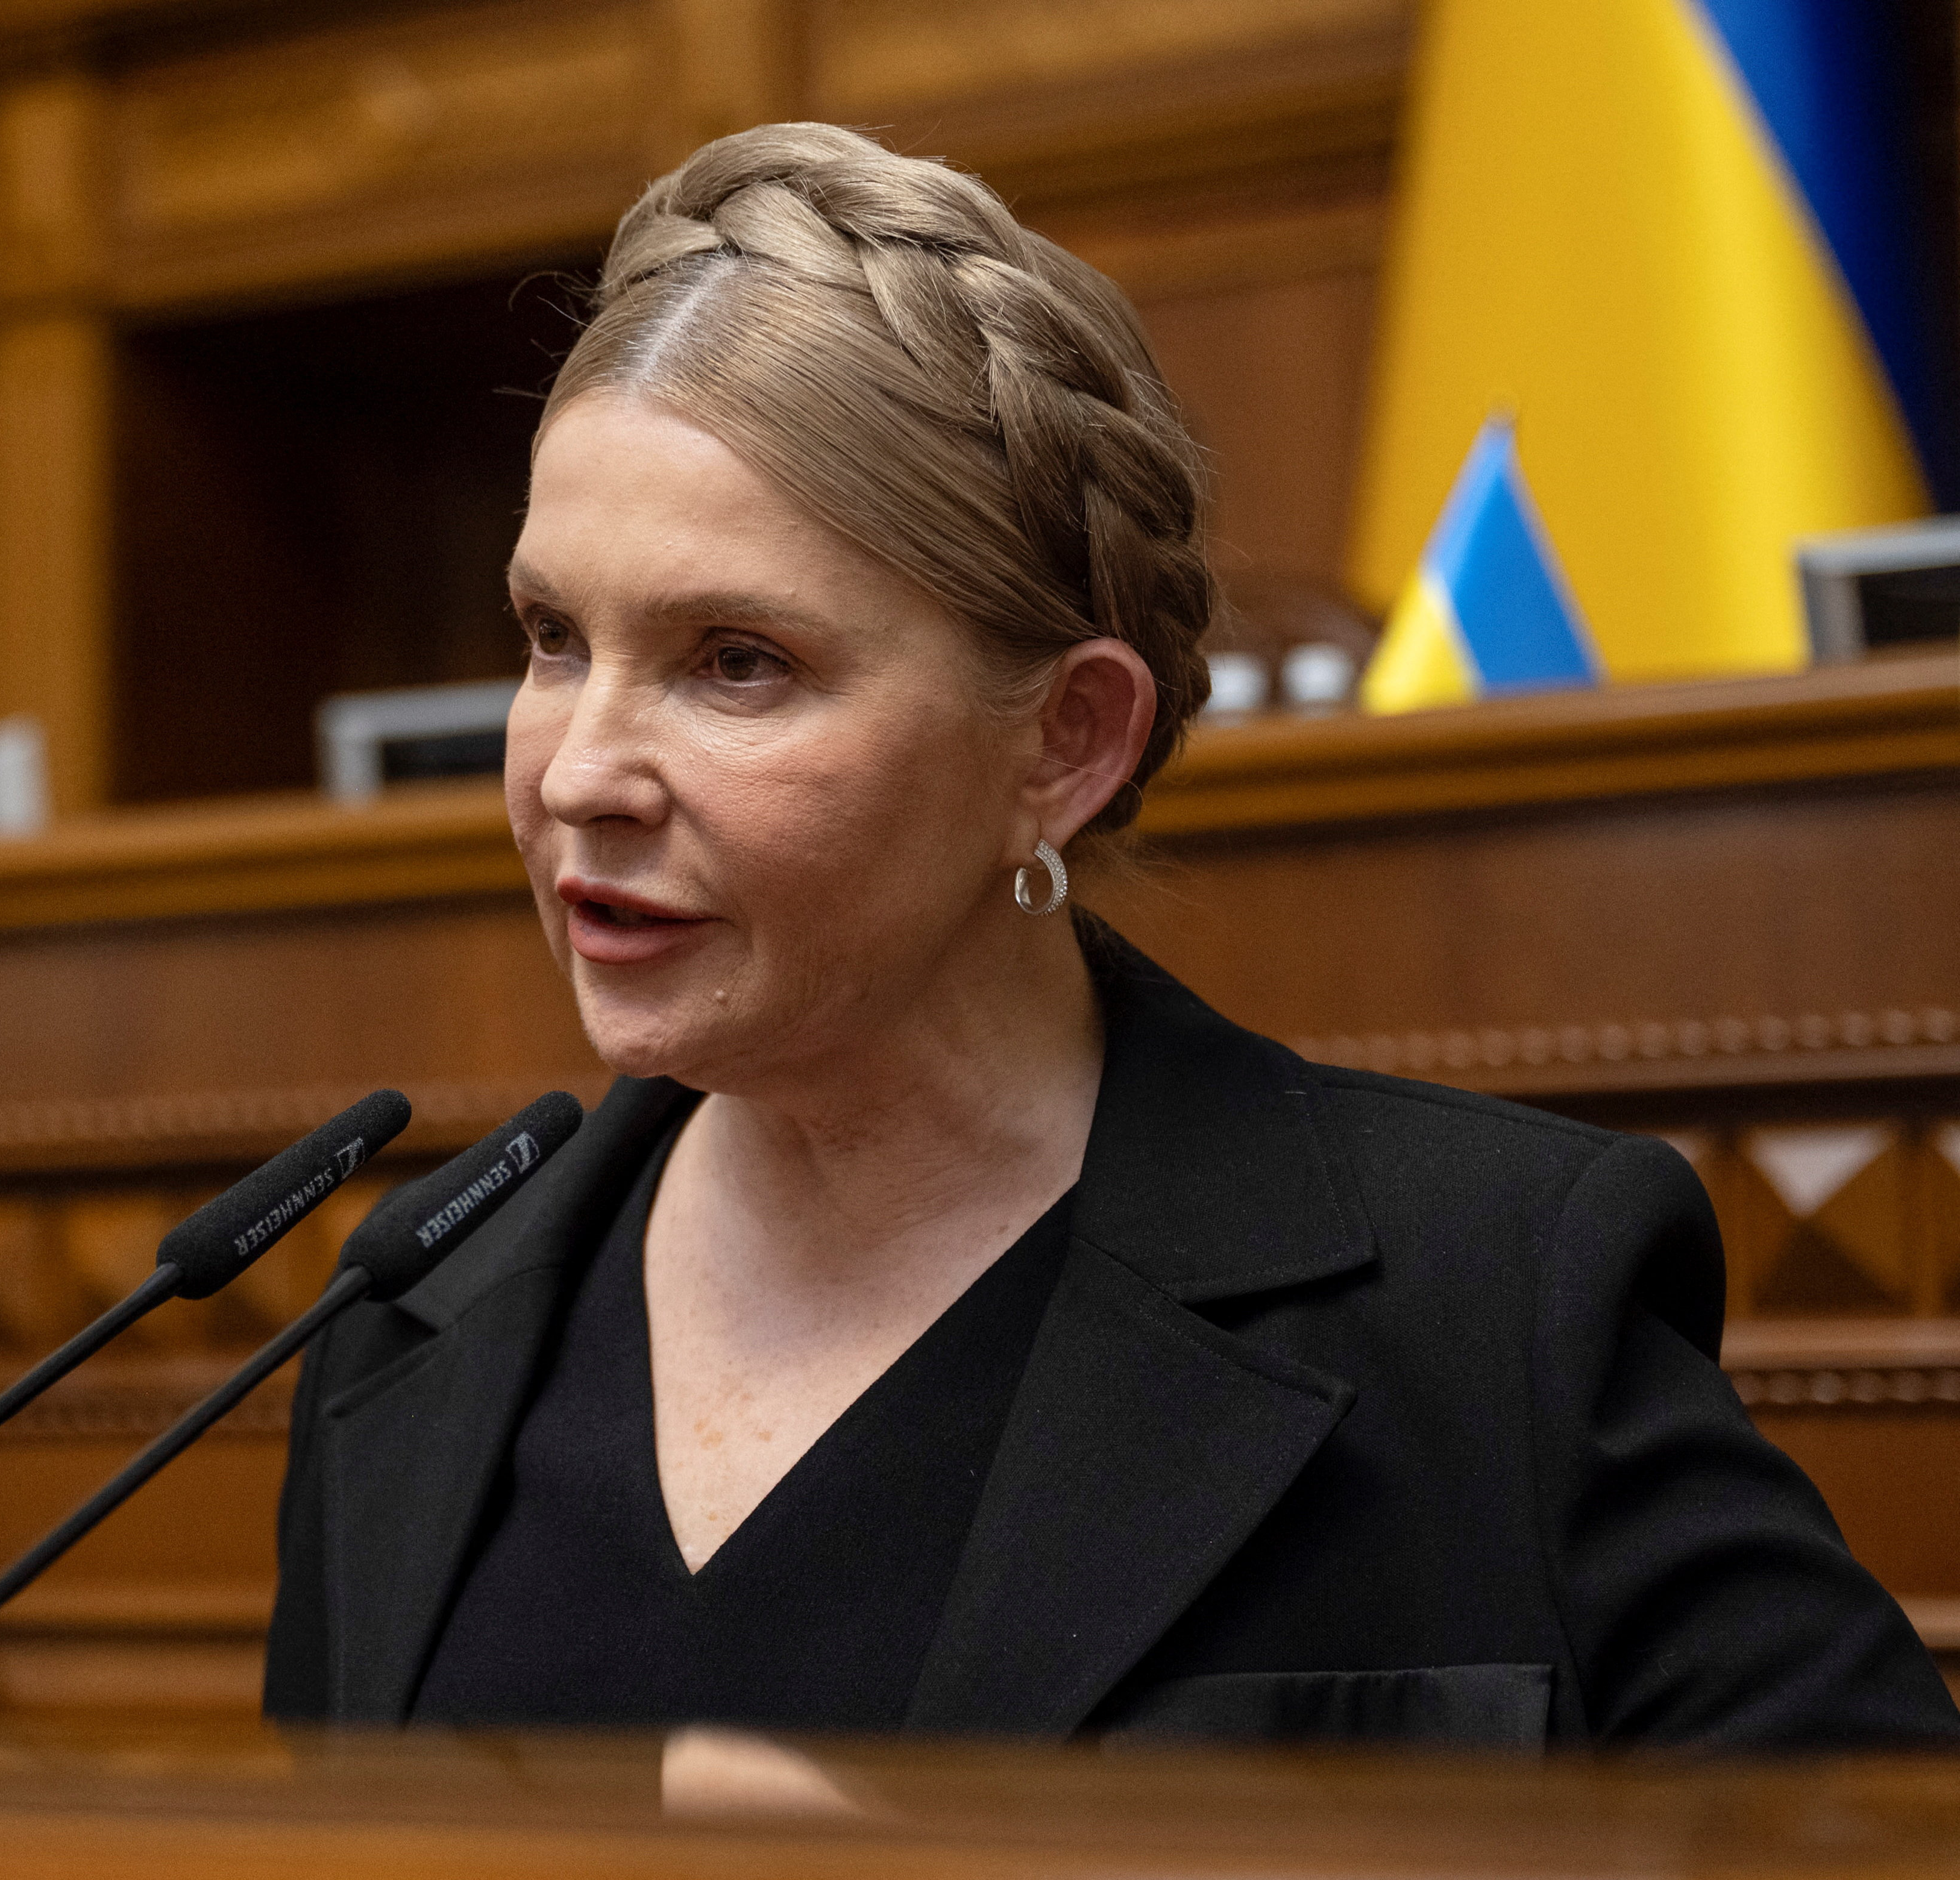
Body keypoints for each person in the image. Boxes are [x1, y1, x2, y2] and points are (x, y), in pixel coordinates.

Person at [263, 124, 1960, 1748]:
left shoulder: (1498, 1299)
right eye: (555, 639)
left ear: (1066, 743)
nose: (579, 771)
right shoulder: (418, 1318)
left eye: (737, 662)